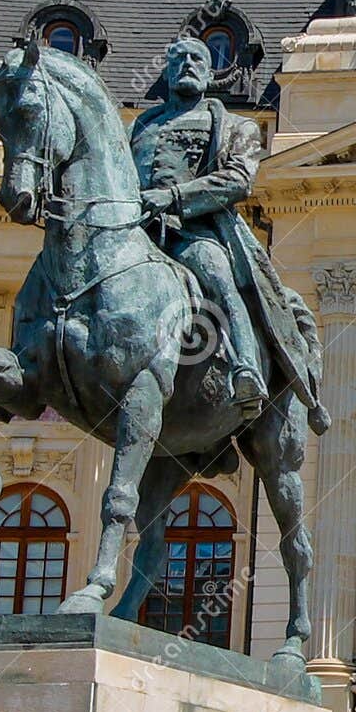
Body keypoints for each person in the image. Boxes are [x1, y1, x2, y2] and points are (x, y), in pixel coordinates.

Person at [129, 36, 329, 432]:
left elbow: (237, 180)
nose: (187, 64)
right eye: (179, 59)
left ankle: (246, 369)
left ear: (209, 73)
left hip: (196, 231)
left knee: (220, 276)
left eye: (197, 58)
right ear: (166, 71)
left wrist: (172, 197)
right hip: (138, 232)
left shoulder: (235, 125)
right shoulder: (142, 125)